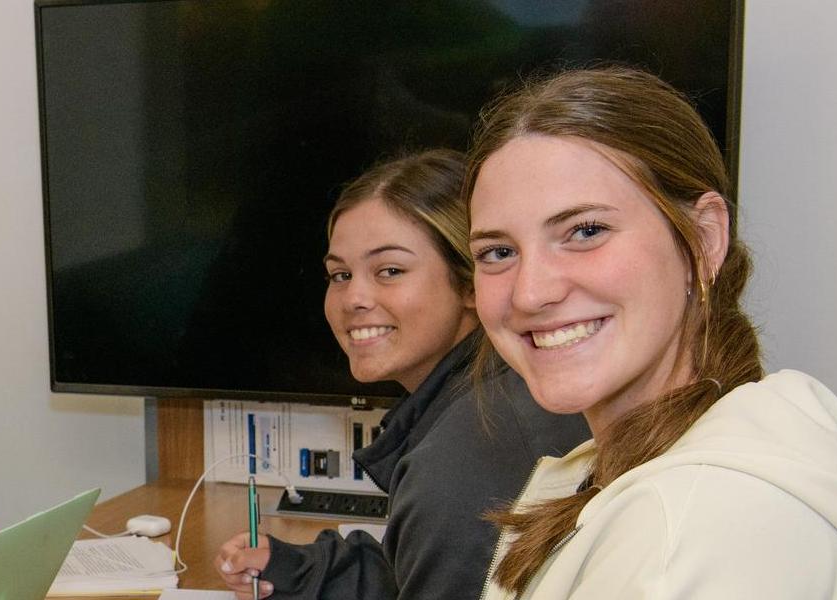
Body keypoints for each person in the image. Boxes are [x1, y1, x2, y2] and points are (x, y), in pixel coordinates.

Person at [465, 67, 837, 599]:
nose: (529, 293)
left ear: (702, 239)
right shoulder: (654, 471)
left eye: (586, 231)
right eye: (498, 252)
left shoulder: (689, 529)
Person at [213, 150, 588, 599]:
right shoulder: (494, 396)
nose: (354, 298)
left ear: (471, 284)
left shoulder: (464, 457)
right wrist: (300, 571)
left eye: (389, 270)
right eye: (340, 275)